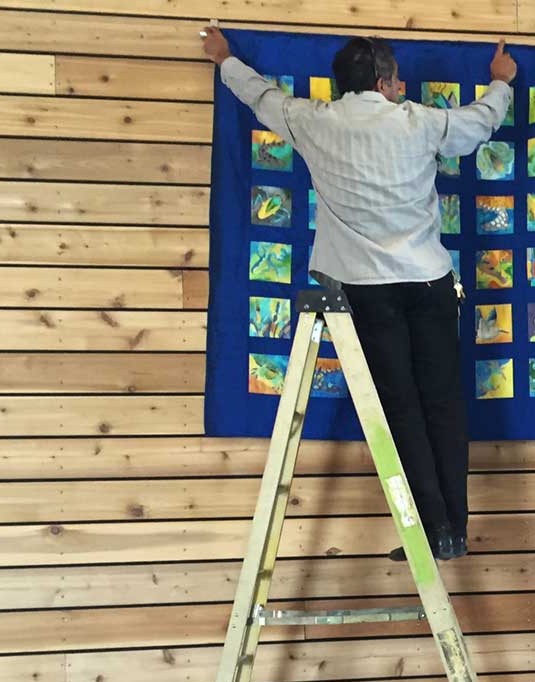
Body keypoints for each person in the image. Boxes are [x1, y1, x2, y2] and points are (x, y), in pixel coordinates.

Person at [203, 26, 517, 561]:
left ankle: (431, 529)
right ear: (385, 81)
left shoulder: (314, 121)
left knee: (401, 407)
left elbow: (262, 97)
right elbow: (480, 123)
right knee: (443, 403)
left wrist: (225, 59)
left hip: (368, 293)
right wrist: (501, 84)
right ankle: (454, 531)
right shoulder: (420, 121)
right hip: (429, 282)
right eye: (397, 80)